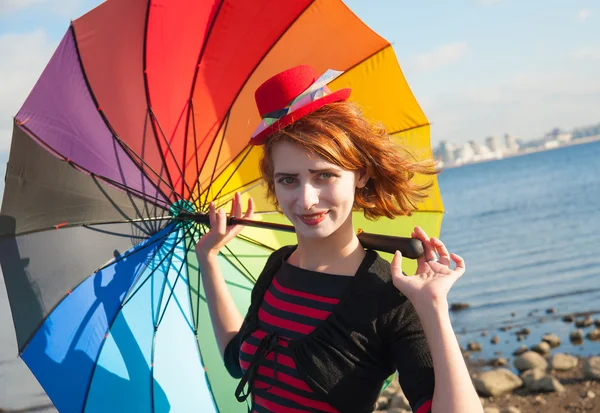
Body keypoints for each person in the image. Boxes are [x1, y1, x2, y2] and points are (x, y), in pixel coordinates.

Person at [195, 65, 482, 413]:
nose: (306, 200)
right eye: (288, 180)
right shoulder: (277, 267)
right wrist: (208, 258)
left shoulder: (389, 296)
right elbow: (236, 361)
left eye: (324, 175)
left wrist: (433, 307)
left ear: (359, 174)